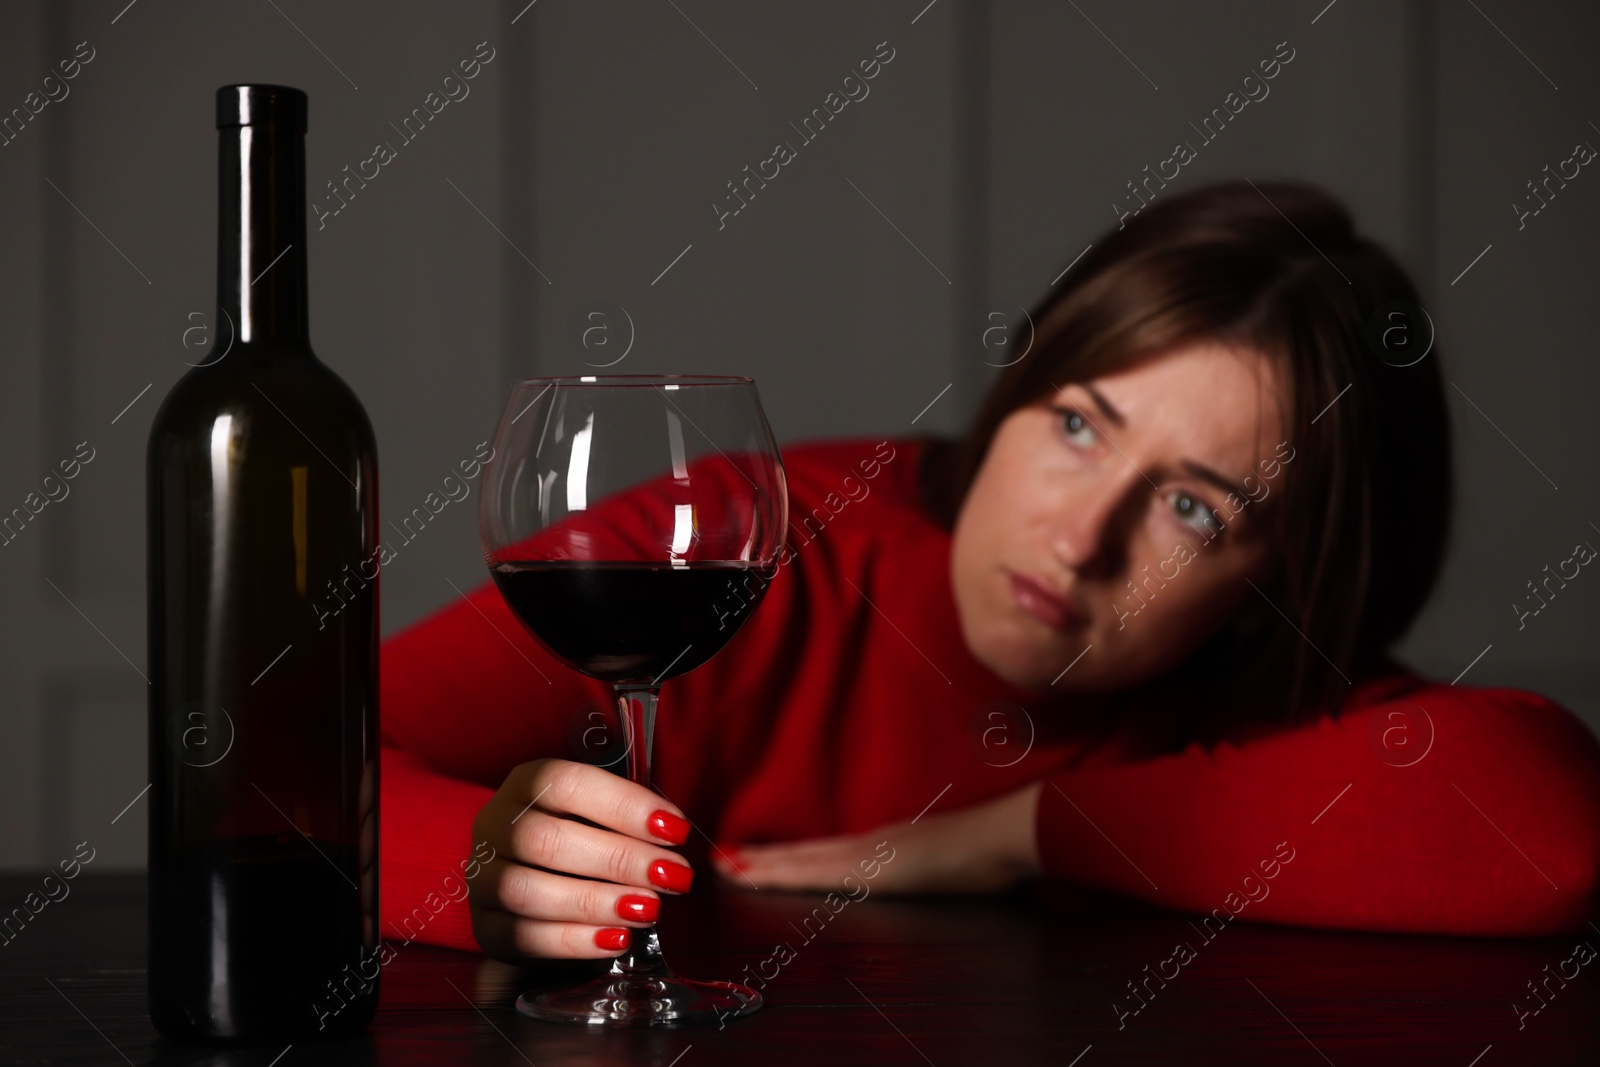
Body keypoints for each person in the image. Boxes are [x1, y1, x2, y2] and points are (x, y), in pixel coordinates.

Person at [379, 181, 1600, 961]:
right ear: (1014, 394)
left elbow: (1551, 835)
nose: (1080, 538)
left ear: (1285, 575)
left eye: (1191, 504)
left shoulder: (1261, 683)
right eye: (1077, 425)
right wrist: (480, 875)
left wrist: (1015, 831)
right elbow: (294, 753)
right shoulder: (754, 539)